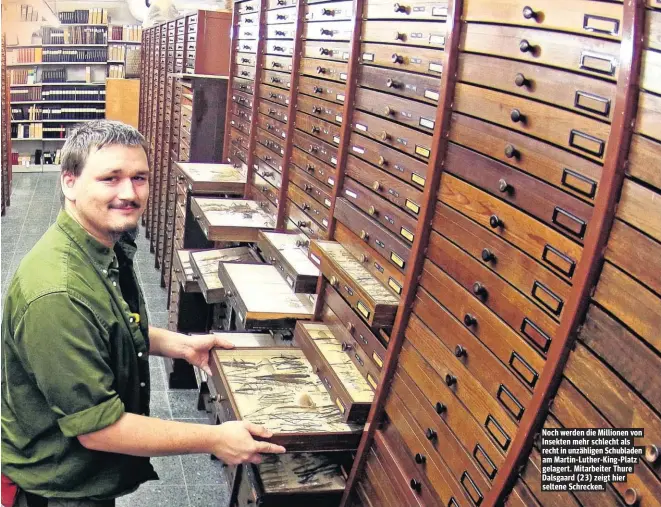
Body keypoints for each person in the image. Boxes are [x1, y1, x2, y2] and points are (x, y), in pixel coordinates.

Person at [1, 120, 286, 507]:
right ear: (69, 182)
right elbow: (99, 429)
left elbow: (109, 327)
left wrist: (182, 346)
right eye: (110, 178)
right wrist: (215, 439)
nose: (129, 193)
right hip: (59, 487)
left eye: (139, 178)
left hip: (80, 476)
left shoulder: (101, 247)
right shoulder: (58, 293)